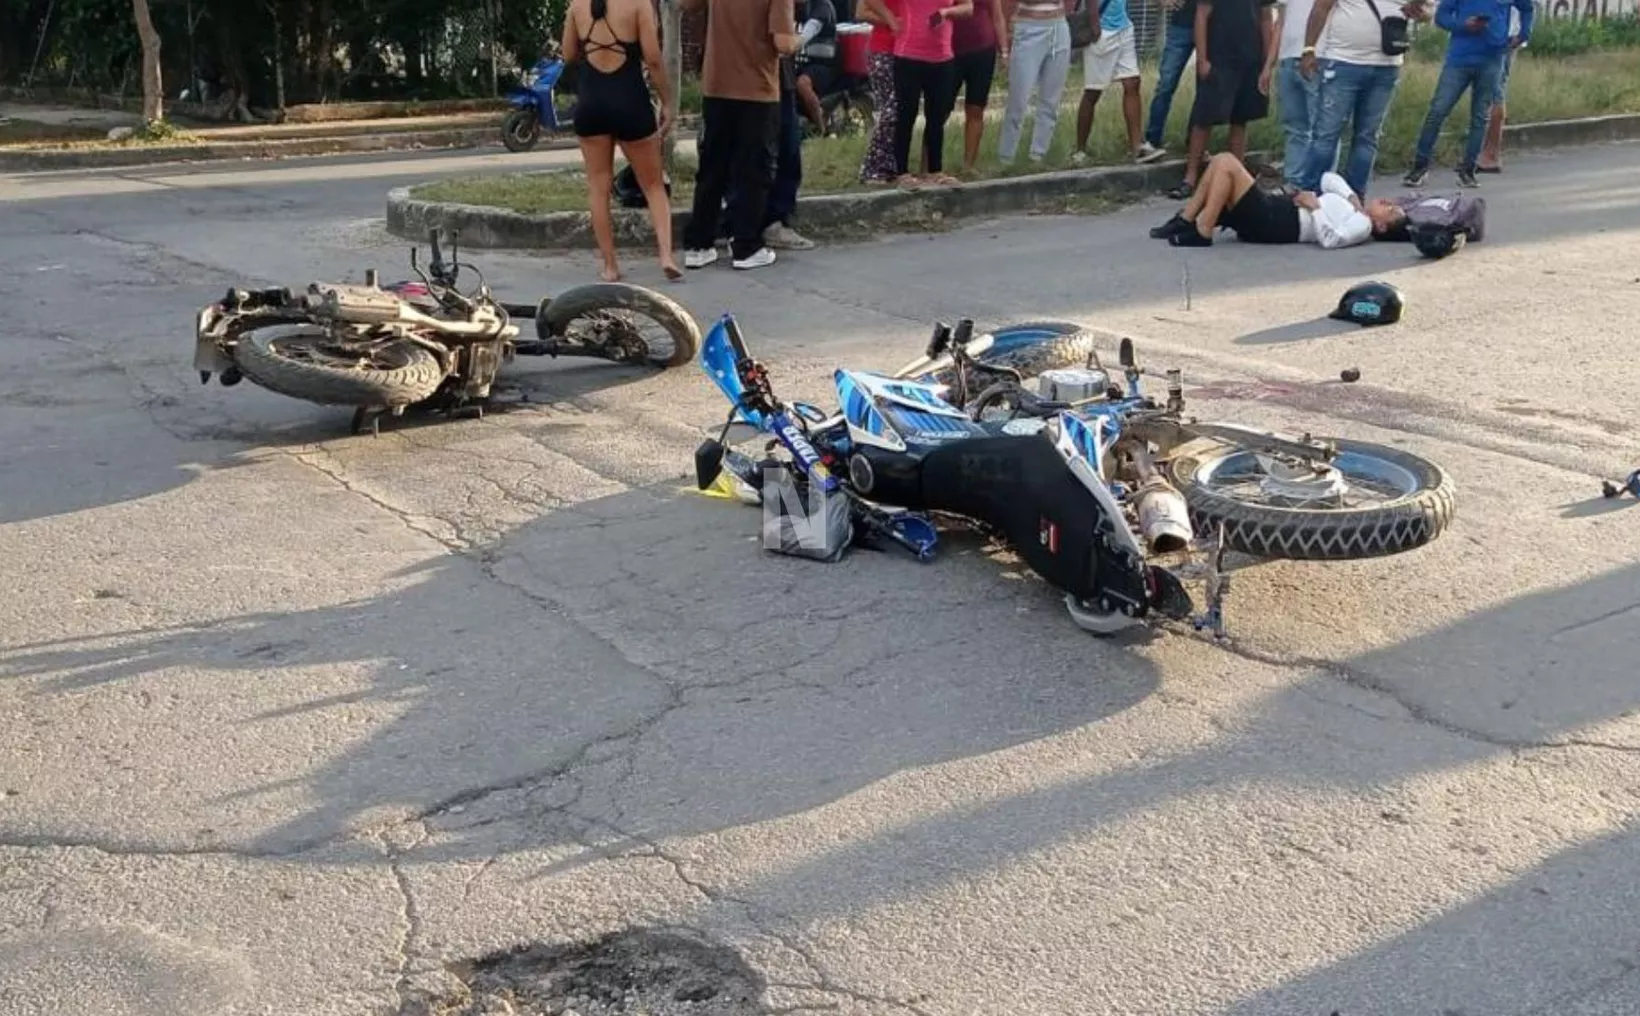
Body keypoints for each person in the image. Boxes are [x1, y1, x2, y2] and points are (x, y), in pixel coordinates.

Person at [561, 0, 678, 281]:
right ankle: (666, 256)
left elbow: (567, 55)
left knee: (599, 187)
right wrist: (668, 102)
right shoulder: (638, 4)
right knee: (652, 185)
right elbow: (652, 58)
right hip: (631, 102)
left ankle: (610, 266)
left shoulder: (576, 6)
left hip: (591, 103)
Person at [680, 0, 800, 271]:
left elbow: (686, 5)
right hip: (756, 88)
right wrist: (798, 40)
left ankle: (699, 244)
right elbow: (782, 42)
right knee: (754, 170)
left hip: (716, 85)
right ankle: (745, 245)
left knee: (712, 166)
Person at [1296, 0, 1431, 196]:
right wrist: (1309, 49)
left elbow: (1428, 12)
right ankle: (1311, 196)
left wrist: (1418, 12)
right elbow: (1322, 6)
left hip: (1386, 64)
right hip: (1345, 60)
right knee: (1328, 135)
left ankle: (1354, 198)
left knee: (1366, 137)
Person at [1149, 151, 1407, 247]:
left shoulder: (1362, 227)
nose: (1388, 202)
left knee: (1227, 162)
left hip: (1281, 224)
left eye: (1391, 210)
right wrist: (1352, 198)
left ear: (1382, 226)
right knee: (1219, 161)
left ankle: (1202, 231)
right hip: (1280, 211)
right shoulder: (1356, 210)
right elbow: (1329, 177)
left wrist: (1315, 208)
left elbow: (1332, 240)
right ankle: (1187, 219)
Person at [1402, 0, 1530, 188]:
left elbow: (1526, 7)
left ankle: (1468, 169)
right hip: (1459, 59)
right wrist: (1463, 25)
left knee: (1479, 117)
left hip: (1492, 59)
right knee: (1438, 111)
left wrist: (1523, 34)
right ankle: (1420, 166)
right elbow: (1441, 17)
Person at [1172, 0, 1279, 200]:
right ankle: (1190, 177)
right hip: (1219, 59)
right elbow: (1202, 15)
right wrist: (1202, 59)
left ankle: (1238, 177)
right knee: (1203, 118)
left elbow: (1266, 18)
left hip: (1250, 58)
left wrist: (1267, 64)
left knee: (1240, 119)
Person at [892, 0, 973, 185]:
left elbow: (968, 8)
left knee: (937, 117)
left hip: (942, 57)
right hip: (908, 55)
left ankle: (934, 170)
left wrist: (946, 12)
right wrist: (891, 20)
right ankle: (902, 172)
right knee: (907, 114)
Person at [1073, 0, 1165, 164]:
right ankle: (1080, 150)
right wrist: (1095, 25)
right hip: (1102, 30)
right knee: (1093, 92)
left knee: (1132, 82)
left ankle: (1137, 146)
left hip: (1124, 28)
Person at [996, 0, 1075, 165]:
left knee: (1051, 99)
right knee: (1018, 99)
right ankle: (1006, 156)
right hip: (1029, 26)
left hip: (1058, 25)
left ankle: (1038, 154)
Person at [1272, 0, 1320, 189]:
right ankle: (1293, 184)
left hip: (1317, 57)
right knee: (1294, 127)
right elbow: (1280, 21)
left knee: (1321, 129)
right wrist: (1270, 64)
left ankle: (1318, 184)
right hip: (1287, 58)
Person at [1142, 0, 1195, 164]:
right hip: (1182, 25)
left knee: (1206, 87)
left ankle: (1195, 142)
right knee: (1166, 83)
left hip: (1212, 25)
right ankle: (1152, 140)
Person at [857, 0, 904, 183]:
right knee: (891, 110)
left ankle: (891, 165)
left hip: (909, 50)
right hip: (883, 49)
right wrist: (891, 20)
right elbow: (861, 13)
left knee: (901, 110)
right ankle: (872, 166)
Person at [1476, 3, 1520, 172]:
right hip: (1502, 32)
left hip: (1503, 35)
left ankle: (1491, 154)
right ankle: (1485, 151)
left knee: (1496, 90)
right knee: (1491, 89)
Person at [794, 0, 841, 132]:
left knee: (802, 84)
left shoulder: (822, 6)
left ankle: (821, 127)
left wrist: (789, 44)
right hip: (802, 62)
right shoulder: (794, 7)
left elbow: (808, 33)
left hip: (824, 64)